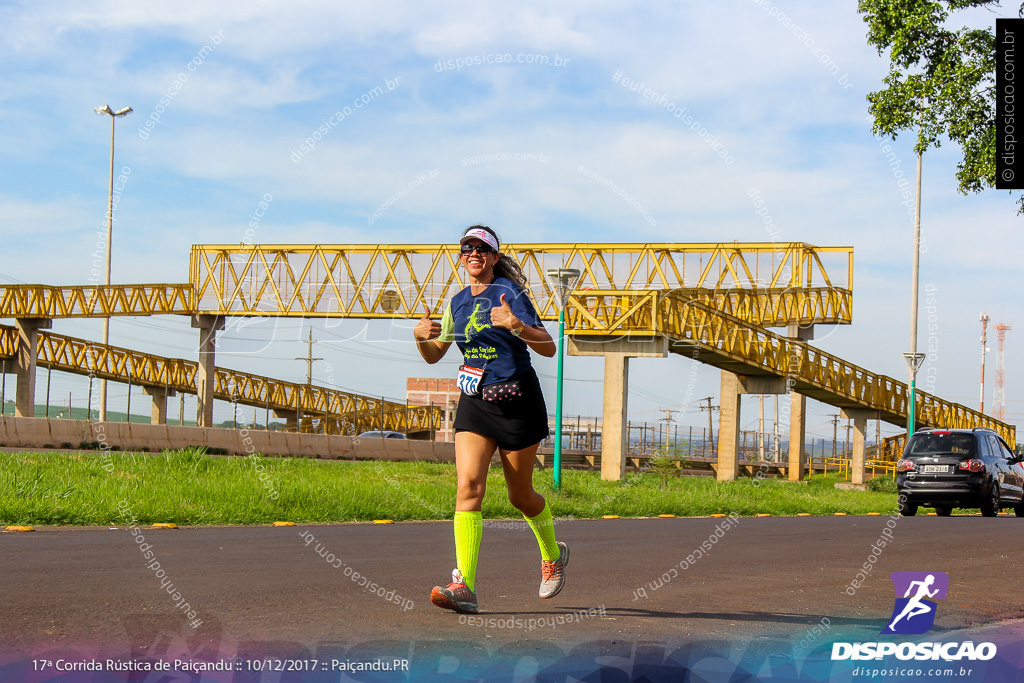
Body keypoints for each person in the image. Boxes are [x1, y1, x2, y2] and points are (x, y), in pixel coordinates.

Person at [414, 225, 569, 614]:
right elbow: (434, 354)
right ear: (461, 256)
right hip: (476, 401)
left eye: (482, 248)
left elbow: (548, 348)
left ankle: (553, 555)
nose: (473, 254)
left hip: (517, 400)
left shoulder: (512, 295)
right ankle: (464, 585)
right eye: (467, 248)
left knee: (520, 495)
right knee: (468, 487)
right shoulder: (458, 302)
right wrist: (420, 336)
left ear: (495, 257)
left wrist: (517, 325)